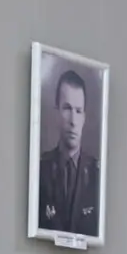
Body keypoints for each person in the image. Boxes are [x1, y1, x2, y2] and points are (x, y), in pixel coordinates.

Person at [36, 68, 100, 237]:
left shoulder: (97, 176)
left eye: (78, 111)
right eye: (67, 109)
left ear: (84, 117)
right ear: (56, 112)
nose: (73, 121)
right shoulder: (40, 171)